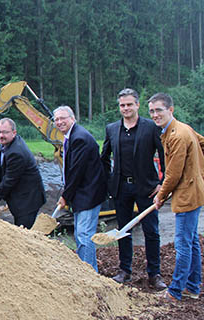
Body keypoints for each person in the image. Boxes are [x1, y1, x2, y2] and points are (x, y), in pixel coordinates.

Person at [101, 88, 166, 290]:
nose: (126, 108)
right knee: (123, 230)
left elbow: (164, 155)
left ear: (137, 105)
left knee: (151, 232)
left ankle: (154, 274)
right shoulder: (112, 129)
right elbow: (104, 158)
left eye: (129, 104)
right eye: (122, 105)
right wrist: (108, 182)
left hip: (146, 188)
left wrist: (162, 183)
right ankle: (124, 271)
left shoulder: (150, 127)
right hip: (122, 188)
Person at [150, 93, 204, 301]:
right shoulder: (182, 128)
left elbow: (173, 173)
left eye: (159, 110)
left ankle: (176, 291)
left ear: (170, 110)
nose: (155, 115)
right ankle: (192, 287)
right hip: (193, 189)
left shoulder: (177, 135)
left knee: (182, 244)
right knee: (191, 241)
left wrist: (160, 196)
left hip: (187, 195)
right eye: (152, 111)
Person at [54, 106, 107, 272]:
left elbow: (76, 172)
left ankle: (89, 273)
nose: (60, 122)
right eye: (56, 120)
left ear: (72, 118)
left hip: (88, 194)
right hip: (82, 194)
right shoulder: (71, 136)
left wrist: (65, 196)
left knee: (84, 235)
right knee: (80, 234)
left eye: (63, 118)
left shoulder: (79, 138)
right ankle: (89, 270)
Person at [0, 118, 46, 228]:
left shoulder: (17, 152)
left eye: (5, 132)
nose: (1, 135)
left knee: (23, 230)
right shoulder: (6, 143)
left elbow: (9, 180)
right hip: (19, 195)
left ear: (14, 133)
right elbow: (3, 157)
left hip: (27, 199)